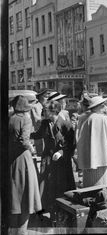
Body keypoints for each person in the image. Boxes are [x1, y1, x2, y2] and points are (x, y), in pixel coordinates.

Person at [31, 100, 76, 218]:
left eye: (45, 110)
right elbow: (37, 135)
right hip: (48, 159)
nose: (43, 111)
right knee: (45, 185)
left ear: (53, 111)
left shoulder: (66, 125)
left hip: (61, 162)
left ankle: (61, 213)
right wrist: (25, 134)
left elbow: (71, 145)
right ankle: (45, 211)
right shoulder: (45, 123)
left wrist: (61, 152)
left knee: (61, 186)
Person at [9, 95, 42, 235]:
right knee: (27, 195)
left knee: (14, 196)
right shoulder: (25, 120)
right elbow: (24, 141)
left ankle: (12, 230)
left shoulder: (10, 119)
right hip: (23, 159)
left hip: (11, 159)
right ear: (26, 109)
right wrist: (32, 148)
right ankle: (22, 231)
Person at [77, 96, 107, 187]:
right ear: (98, 106)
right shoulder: (104, 119)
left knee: (89, 186)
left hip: (88, 158)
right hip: (102, 157)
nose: (104, 107)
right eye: (102, 105)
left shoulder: (85, 119)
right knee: (102, 186)